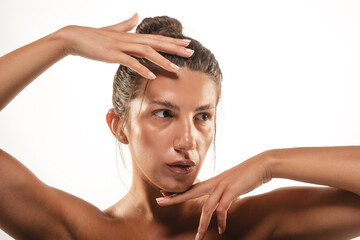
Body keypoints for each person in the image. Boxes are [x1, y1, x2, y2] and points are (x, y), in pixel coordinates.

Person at [0, 13, 360, 240]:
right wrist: (63, 42)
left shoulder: (249, 225)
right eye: (163, 113)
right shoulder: (77, 231)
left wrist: (270, 164)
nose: (188, 140)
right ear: (119, 126)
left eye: (202, 116)